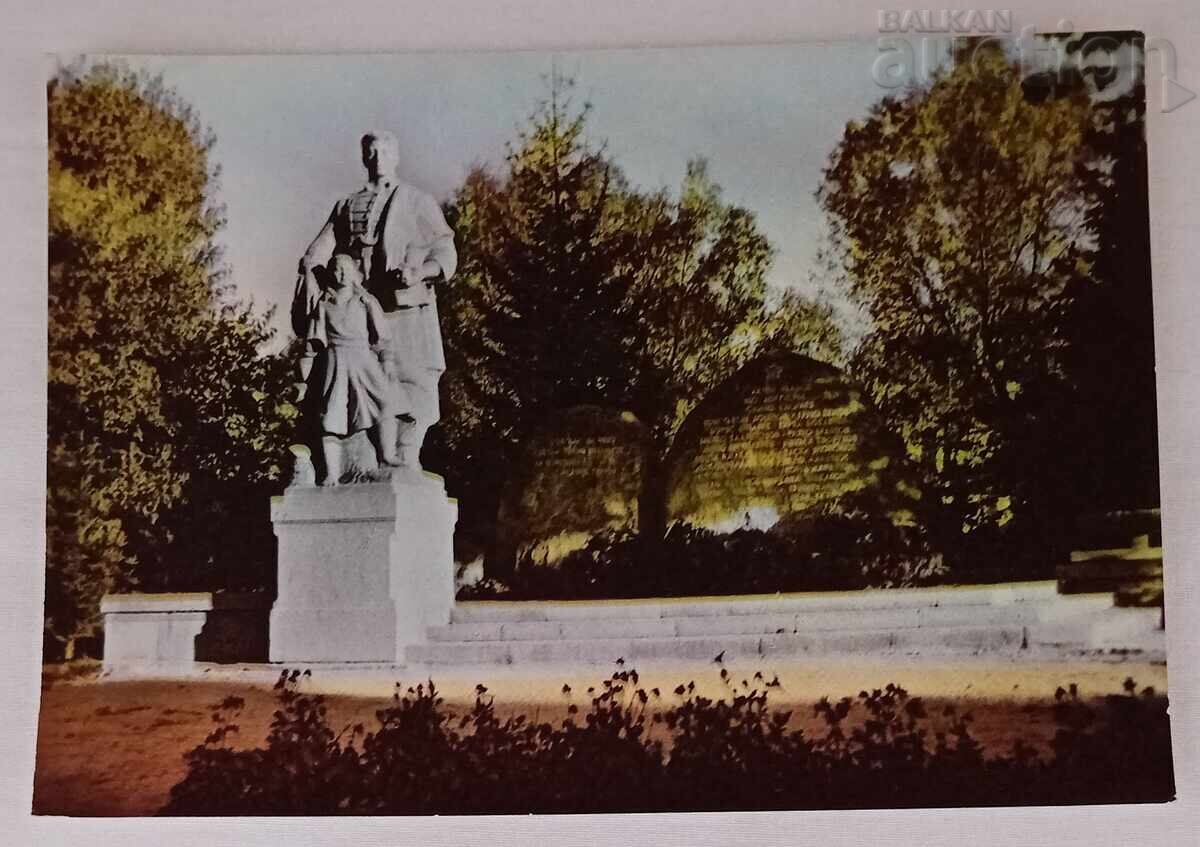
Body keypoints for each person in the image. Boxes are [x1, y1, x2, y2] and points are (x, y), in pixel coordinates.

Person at [294, 130, 457, 468]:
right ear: (364, 157)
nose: (379, 158)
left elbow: (445, 248)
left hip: (403, 310)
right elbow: (321, 247)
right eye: (372, 152)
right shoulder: (347, 204)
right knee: (348, 389)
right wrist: (311, 267)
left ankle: (404, 454)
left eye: (385, 151)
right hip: (358, 317)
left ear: (396, 157)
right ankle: (354, 461)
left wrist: (421, 271)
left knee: (409, 383)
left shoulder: (417, 201)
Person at [305, 254, 408, 485]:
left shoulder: (366, 301)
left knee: (386, 401)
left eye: (344, 269)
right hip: (336, 361)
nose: (340, 273)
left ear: (354, 273)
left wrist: (387, 362)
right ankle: (332, 473)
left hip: (363, 358)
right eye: (336, 269)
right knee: (332, 415)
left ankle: (388, 455)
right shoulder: (323, 305)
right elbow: (313, 343)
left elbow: (383, 337)